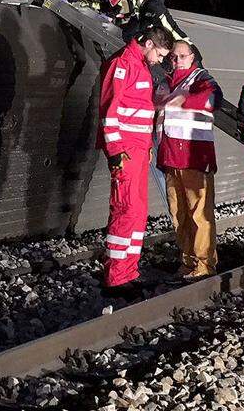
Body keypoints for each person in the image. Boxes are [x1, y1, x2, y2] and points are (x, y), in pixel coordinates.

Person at [97, 25, 173, 299]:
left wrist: (148, 146)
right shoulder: (122, 64)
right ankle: (115, 277)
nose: (160, 60)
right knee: (126, 210)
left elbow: (140, 112)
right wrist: (115, 149)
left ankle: (128, 271)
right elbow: (109, 110)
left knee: (138, 212)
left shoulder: (139, 66)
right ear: (150, 43)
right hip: (126, 151)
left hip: (139, 150)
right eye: (161, 54)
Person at [155, 40, 222, 280]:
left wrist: (183, 100)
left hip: (194, 157)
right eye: (173, 57)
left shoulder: (201, 79)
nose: (176, 61)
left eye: (181, 56)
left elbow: (213, 99)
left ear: (192, 56)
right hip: (171, 157)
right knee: (178, 214)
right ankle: (188, 261)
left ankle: (204, 264)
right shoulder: (165, 83)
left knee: (199, 214)